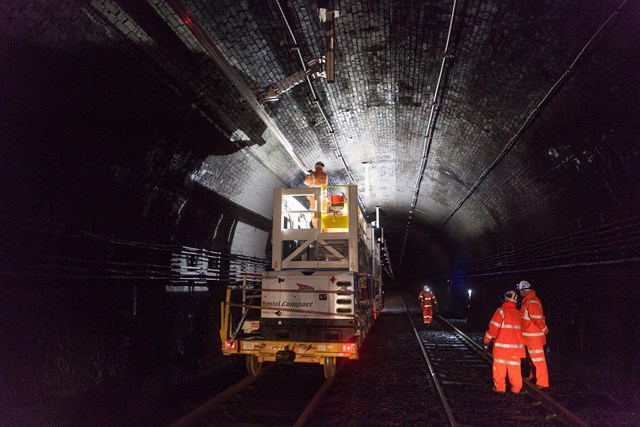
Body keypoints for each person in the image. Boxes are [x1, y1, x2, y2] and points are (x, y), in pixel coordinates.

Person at [483, 290, 526, 394]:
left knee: (499, 369)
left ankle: (500, 389)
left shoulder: (501, 311)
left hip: (501, 349)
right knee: (515, 370)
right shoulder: (519, 313)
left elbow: (493, 329)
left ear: (506, 298)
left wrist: (486, 341)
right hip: (516, 350)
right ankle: (516, 390)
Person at [517, 280, 550, 389]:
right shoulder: (528, 301)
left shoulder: (531, 302)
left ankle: (542, 382)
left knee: (538, 360)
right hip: (529, 337)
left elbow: (537, 319)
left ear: (523, 290)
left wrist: (545, 329)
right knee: (532, 360)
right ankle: (533, 376)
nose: (519, 293)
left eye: (520, 290)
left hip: (534, 338)